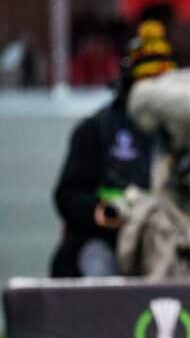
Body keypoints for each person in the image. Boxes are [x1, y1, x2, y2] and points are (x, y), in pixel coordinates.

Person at [50, 20, 177, 277]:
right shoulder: (96, 129)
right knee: (101, 272)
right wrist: (102, 212)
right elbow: (68, 196)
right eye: (148, 81)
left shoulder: (178, 131)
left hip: (165, 240)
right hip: (106, 240)